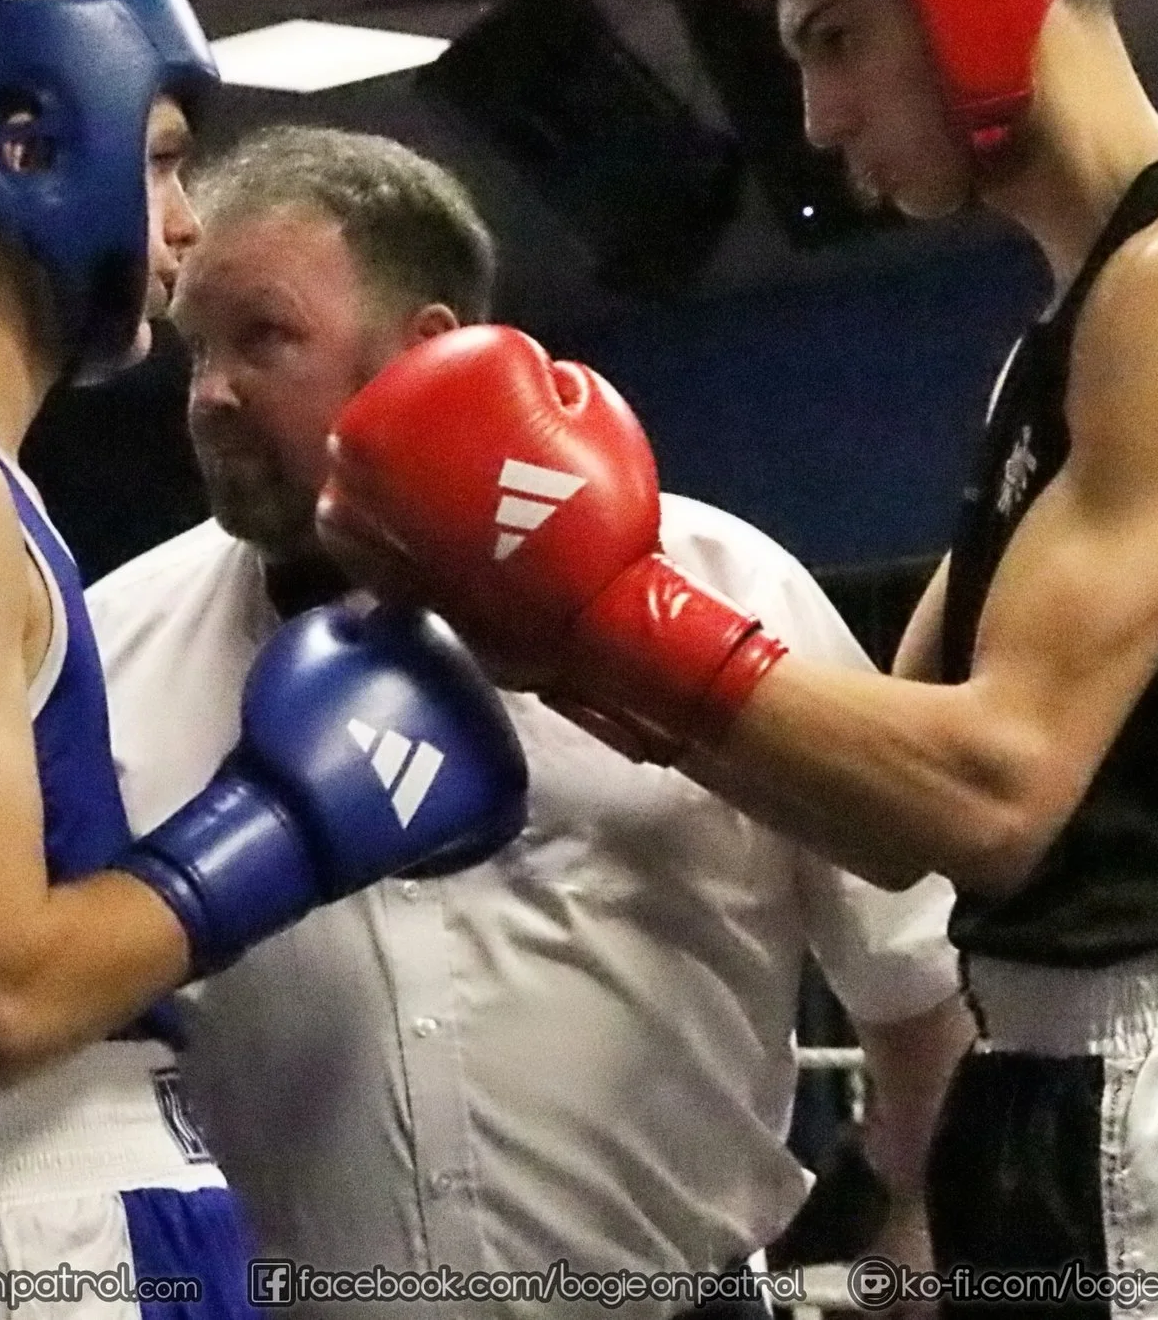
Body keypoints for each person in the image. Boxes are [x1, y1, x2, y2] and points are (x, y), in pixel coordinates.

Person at [314, 0, 1158, 1317]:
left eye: (835, 41)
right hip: (1056, 1064)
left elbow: (998, 788)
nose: (816, 118)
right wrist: (555, 639)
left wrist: (606, 608)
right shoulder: (1062, 337)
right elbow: (887, 802)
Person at [0, 0, 529, 1316]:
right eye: (163, 158)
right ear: (26, 140)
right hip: (11, 1227)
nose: (182, 222)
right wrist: (286, 823)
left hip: (43, 1214)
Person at [88, 127, 973, 1320]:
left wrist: (922, 1219)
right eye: (198, 348)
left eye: (265, 339)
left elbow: (913, 964)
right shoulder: (112, 651)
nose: (210, 395)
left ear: (429, 352)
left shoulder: (715, 580)